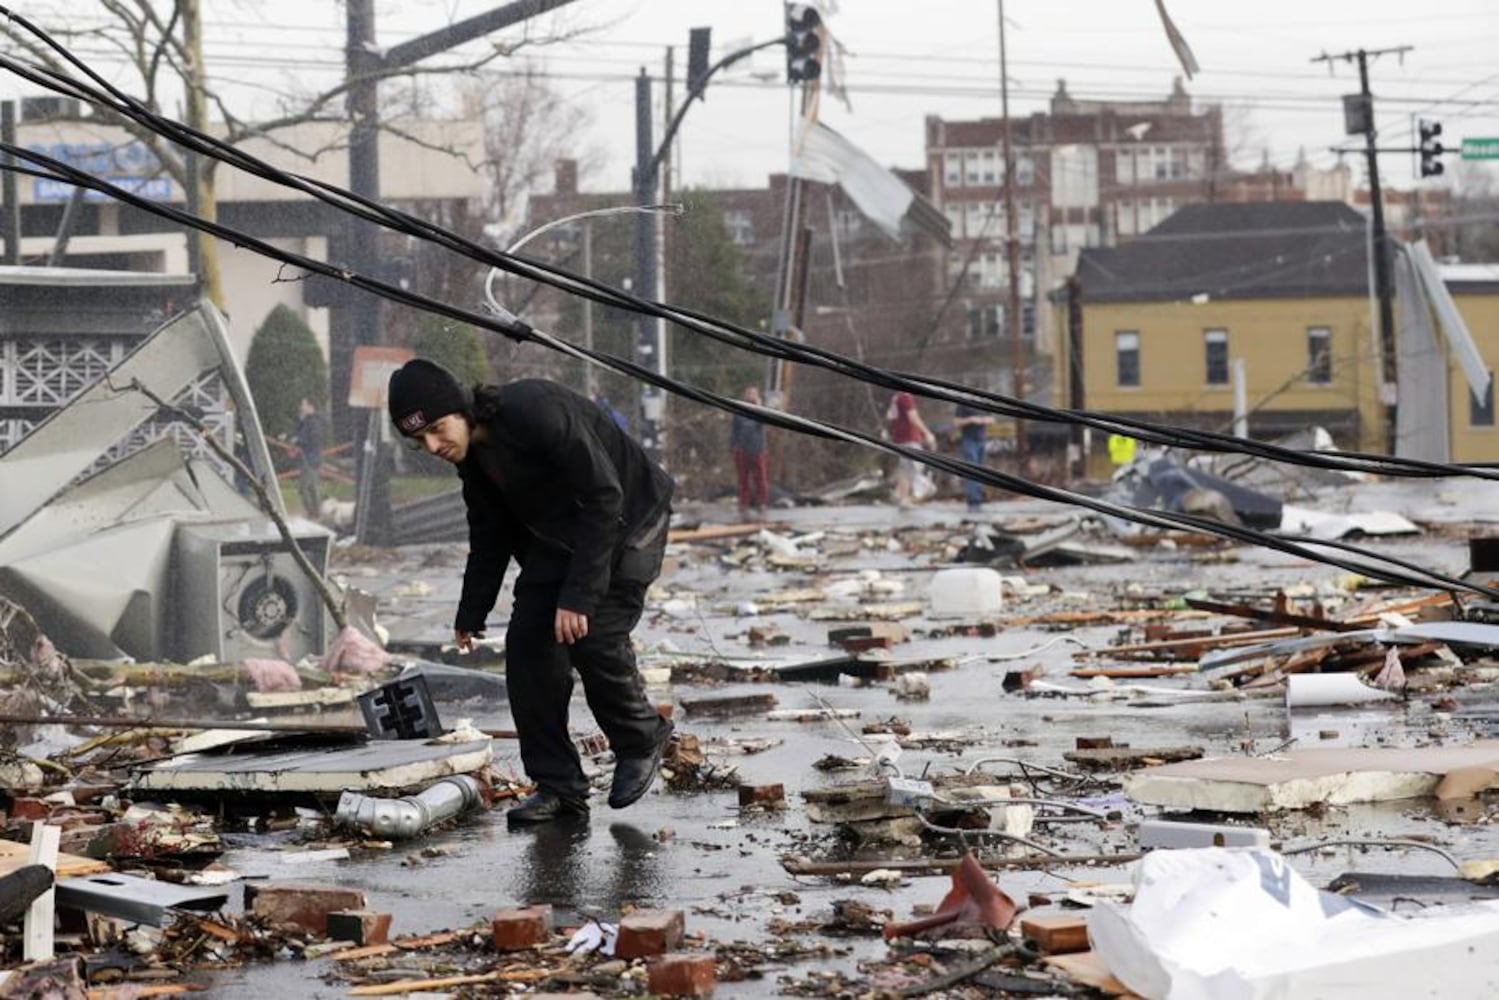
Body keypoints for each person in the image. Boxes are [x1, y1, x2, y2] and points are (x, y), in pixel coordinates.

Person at [387, 359, 675, 826]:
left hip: (629, 520)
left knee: (593, 634)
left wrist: (579, 596)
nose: (433, 446)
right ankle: (559, 786)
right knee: (528, 649)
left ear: (462, 407)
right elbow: (490, 532)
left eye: (438, 429)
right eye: (420, 441)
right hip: (561, 538)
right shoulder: (473, 461)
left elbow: (605, 496)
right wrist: (472, 609)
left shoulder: (534, 411)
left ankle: (641, 737)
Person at [886, 390, 937, 508]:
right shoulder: (906, 397)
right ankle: (904, 498)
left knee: (905, 466)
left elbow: (889, 416)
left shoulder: (896, 397)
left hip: (899, 438)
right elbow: (913, 417)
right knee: (910, 468)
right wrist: (927, 433)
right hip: (909, 438)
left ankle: (898, 494)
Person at [729, 384, 770, 521]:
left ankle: (762, 503)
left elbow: (763, 424)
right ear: (745, 395)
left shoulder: (761, 411)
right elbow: (734, 430)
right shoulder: (739, 411)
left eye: (753, 393)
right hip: (742, 450)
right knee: (743, 480)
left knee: (760, 479)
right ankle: (743, 504)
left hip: (758, 449)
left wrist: (760, 407)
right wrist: (734, 446)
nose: (750, 396)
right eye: (748, 393)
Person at [953, 400, 994, 511]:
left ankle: (979, 498)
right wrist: (970, 420)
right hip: (968, 440)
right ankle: (973, 500)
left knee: (980, 470)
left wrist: (982, 420)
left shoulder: (983, 402)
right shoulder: (963, 404)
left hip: (981, 440)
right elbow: (956, 423)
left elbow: (992, 419)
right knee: (972, 468)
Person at [294, 397, 325, 519]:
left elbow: (313, 439)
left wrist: (300, 440)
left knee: (306, 488)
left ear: (310, 406)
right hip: (307, 458)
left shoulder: (314, 422)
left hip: (311, 459)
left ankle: (314, 513)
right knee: (310, 487)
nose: (301, 407)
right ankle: (314, 513)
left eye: (303, 404)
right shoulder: (306, 422)